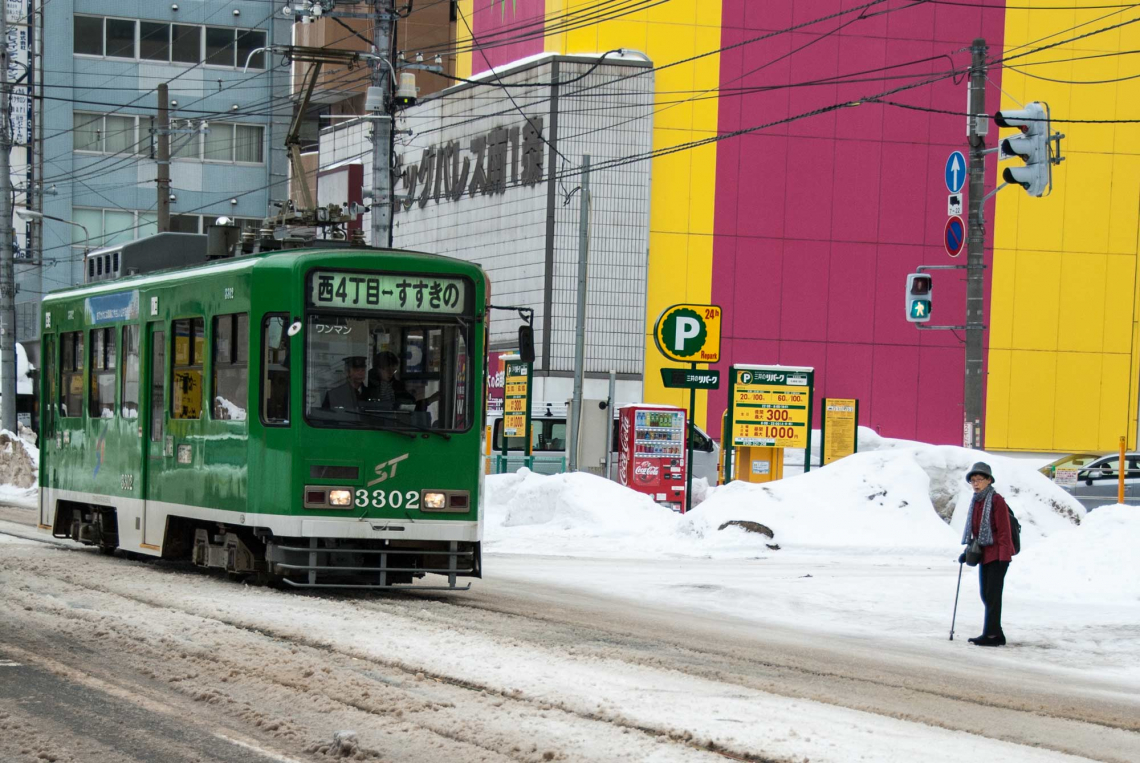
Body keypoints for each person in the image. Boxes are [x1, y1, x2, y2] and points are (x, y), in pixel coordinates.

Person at [959, 462, 1015, 647]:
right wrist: (967, 552)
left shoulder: (996, 500)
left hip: (998, 554)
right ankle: (997, 634)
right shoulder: (977, 501)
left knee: (992, 595)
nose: (975, 484)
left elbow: (1004, 530)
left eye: (979, 480)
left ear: (989, 480)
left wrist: (1004, 556)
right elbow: (976, 532)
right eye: (973, 480)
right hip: (985, 554)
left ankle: (990, 635)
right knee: (986, 594)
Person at [369, 350, 438, 411]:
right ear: (377, 369)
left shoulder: (397, 386)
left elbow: (410, 406)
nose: (391, 373)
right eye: (388, 370)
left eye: (394, 371)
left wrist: (429, 400)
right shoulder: (367, 385)